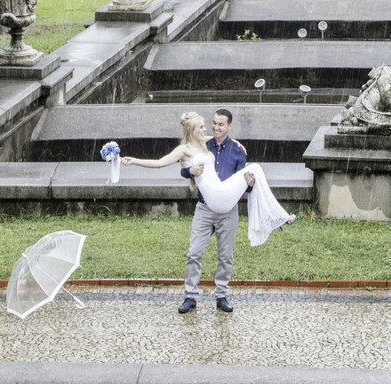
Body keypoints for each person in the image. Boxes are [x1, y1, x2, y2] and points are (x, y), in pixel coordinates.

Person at [122, 110, 295, 314]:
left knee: (226, 255)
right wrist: (137, 161)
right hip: (206, 205)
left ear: (229, 126)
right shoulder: (197, 145)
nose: (212, 128)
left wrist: (249, 184)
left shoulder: (235, 150)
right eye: (209, 125)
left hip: (227, 203)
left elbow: (239, 182)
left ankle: (221, 295)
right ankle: (190, 296)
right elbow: (161, 163)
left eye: (219, 124)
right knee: (194, 253)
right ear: (194, 129)